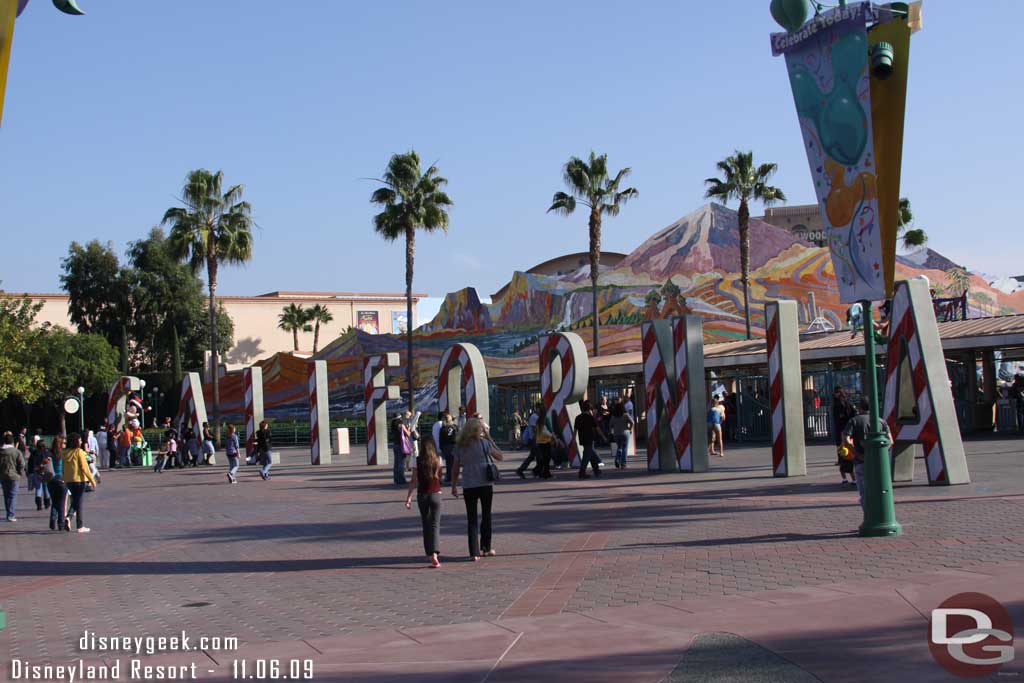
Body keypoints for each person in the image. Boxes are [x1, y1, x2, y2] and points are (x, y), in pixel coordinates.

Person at [450, 418, 504, 561]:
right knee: (486, 515)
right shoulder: (484, 443)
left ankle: (474, 552)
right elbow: (500, 456)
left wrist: (454, 485)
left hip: (469, 484)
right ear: (478, 430)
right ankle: (486, 548)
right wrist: (489, 438)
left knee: (471, 518)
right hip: (485, 483)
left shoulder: (460, 446)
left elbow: (455, 468)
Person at [843, 398, 893, 510]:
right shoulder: (881, 421)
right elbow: (890, 441)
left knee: (864, 492)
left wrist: (855, 452)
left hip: (861, 460)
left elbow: (845, 439)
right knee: (879, 489)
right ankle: (880, 511)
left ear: (860, 407)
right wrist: (881, 453)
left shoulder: (854, 421)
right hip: (878, 462)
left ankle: (869, 515)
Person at [405, 440, 444, 568]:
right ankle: (435, 554)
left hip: (422, 496)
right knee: (435, 525)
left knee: (425, 525)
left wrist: (409, 497)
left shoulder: (417, 460)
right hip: (436, 495)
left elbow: (413, 481)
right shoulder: (438, 459)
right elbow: (440, 477)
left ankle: (429, 552)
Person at [62, 433, 97, 533]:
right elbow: (85, 468)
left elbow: (63, 468)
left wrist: (65, 479)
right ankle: (78, 525)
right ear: (76, 441)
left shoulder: (65, 453)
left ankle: (69, 518)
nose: (81, 442)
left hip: (69, 480)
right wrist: (92, 480)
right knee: (78, 502)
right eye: (80, 440)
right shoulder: (79, 452)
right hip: (79, 480)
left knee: (75, 501)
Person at [831, 387, 858, 486]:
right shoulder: (848, 403)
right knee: (849, 455)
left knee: (842, 455)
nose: (834, 394)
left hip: (841, 432)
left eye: (835, 392)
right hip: (848, 432)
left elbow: (837, 419)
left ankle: (845, 478)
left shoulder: (838, 404)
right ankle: (853, 478)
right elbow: (854, 413)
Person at [574, 401, 605, 479]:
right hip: (590, 438)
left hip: (582, 439)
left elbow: (575, 430)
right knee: (586, 455)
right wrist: (604, 437)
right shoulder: (590, 418)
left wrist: (574, 439)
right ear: (589, 409)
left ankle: (596, 469)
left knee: (590, 453)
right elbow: (597, 429)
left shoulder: (578, 417)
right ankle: (582, 472)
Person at [41, 436, 67, 531]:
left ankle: (52, 520)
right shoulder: (63, 454)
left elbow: (43, 463)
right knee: (61, 503)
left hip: (50, 480)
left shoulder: (49, 453)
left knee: (55, 502)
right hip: (61, 480)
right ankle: (61, 524)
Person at [1, 431, 26, 522]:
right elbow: (22, 464)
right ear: (12, 442)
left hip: (3, 476)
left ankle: (9, 512)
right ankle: (11, 515)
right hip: (14, 476)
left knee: (6, 495)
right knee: (13, 495)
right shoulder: (16, 451)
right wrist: (20, 473)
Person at [27, 440, 51, 511]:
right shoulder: (47, 453)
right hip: (45, 472)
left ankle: (39, 505)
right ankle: (47, 504)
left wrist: (30, 472)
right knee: (46, 488)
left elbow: (30, 464)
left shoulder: (34, 453)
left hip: (36, 472)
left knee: (38, 488)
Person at [609, 401, 634, 468]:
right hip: (625, 433)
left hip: (616, 434)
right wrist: (630, 429)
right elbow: (632, 422)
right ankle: (623, 464)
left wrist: (611, 431)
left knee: (619, 447)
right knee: (624, 448)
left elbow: (610, 425)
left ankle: (617, 459)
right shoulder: (625, 415)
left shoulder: (613, 416)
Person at [391, 416, 411, 486]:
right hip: (401, 446)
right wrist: (408, 428)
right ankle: (401, 480)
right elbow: (408, 434)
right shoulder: (401, 425)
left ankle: (396, 479)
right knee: (402, 463)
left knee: (396, 463)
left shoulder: (393, 425)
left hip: (395, 445)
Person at [438, 412, 458, 484]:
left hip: (446, 446)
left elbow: (441, 439)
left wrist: (441, 448)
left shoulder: (443, 428)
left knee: (448, 463)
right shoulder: (455, 427)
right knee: (454, 462)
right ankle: (455, 477)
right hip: (454, 445)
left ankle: (449, 476)